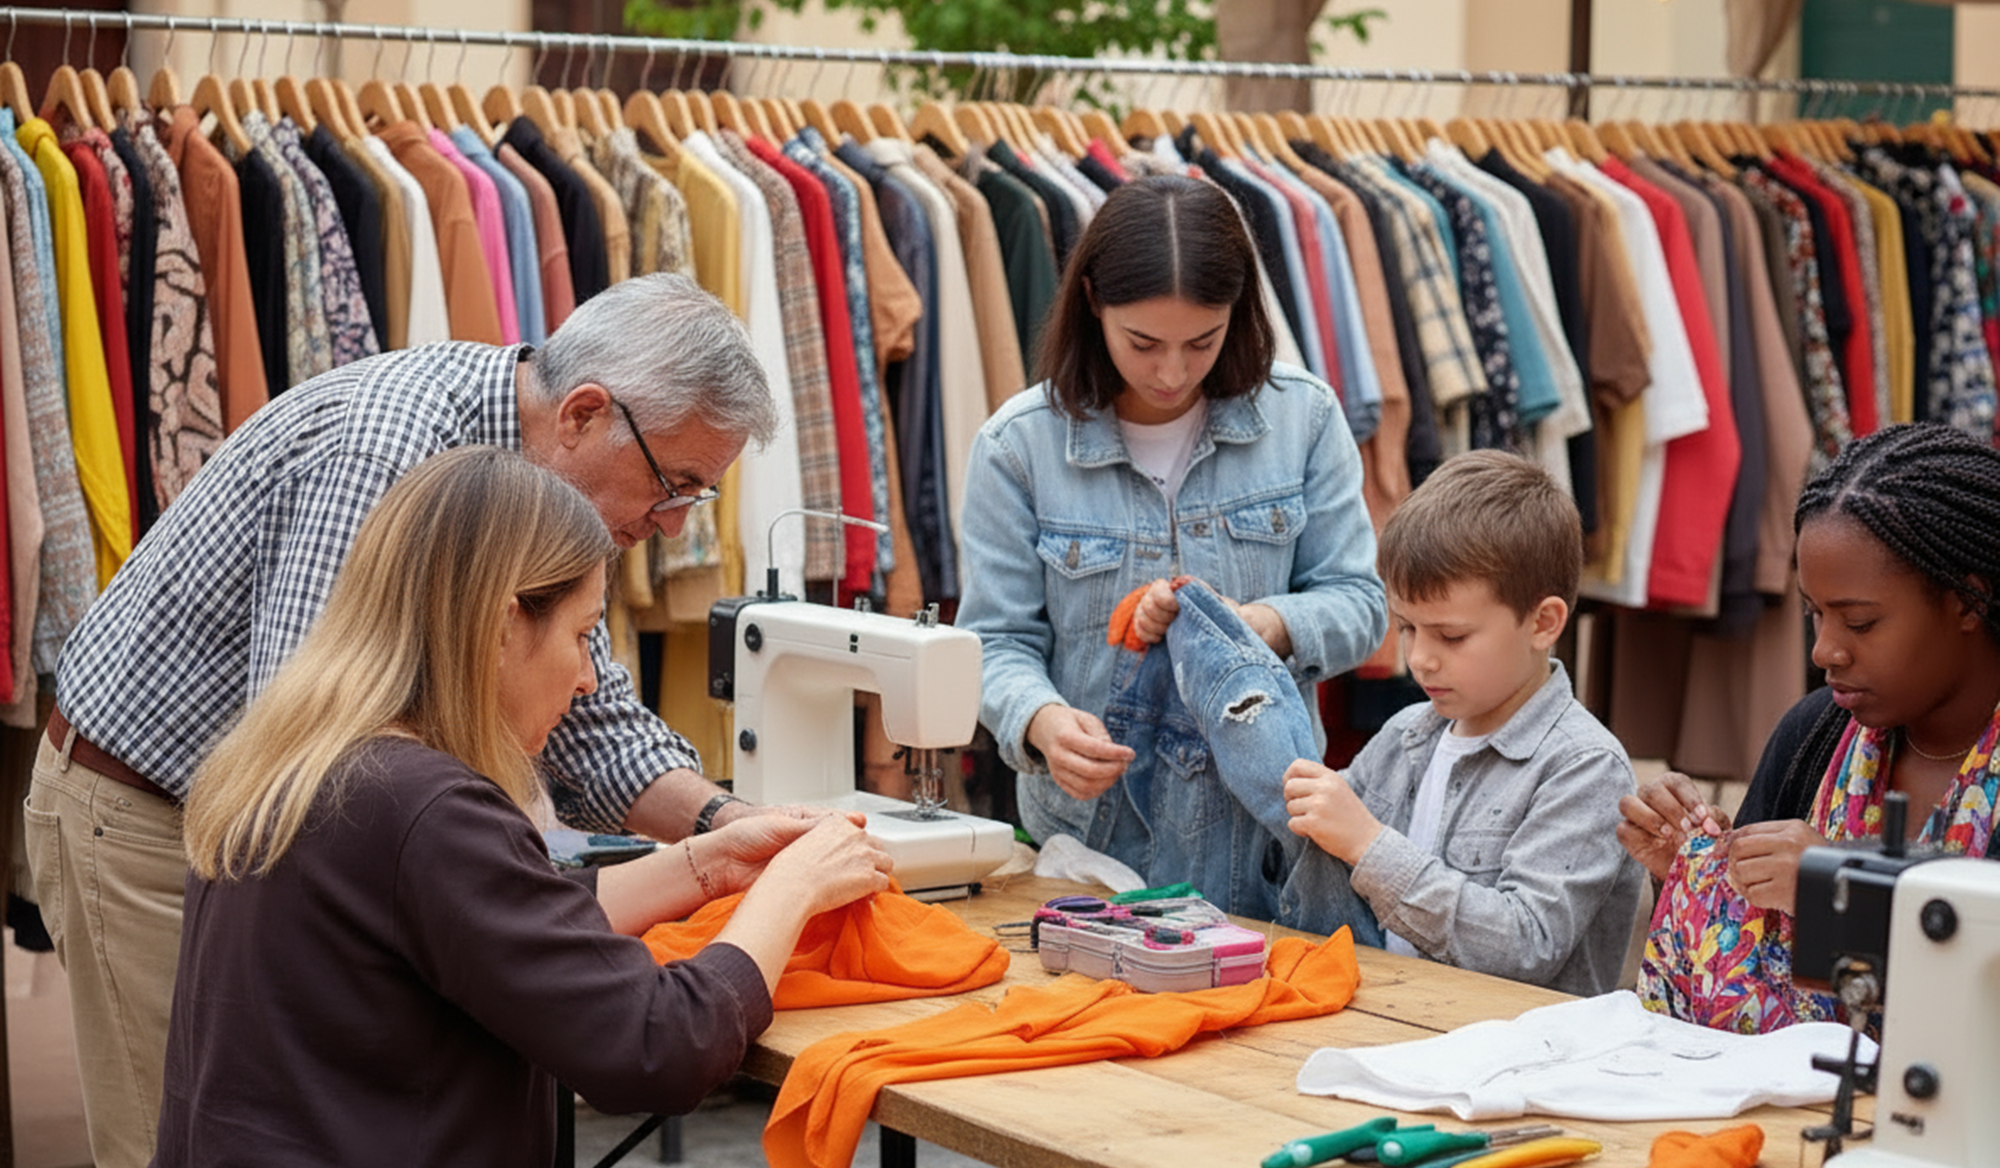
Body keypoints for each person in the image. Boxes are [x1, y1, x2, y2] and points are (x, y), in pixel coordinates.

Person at [23, 272, 799, 1168]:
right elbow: (316, 751)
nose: (670, 526)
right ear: (584, 414)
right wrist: (771, 891)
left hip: (271, 823)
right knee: (230, 1129)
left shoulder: (533, 514)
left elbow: (588, 715)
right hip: (153, 811)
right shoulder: (382, 452)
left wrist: (722, 823)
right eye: (675, 485)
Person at [150, 447, 893, 1166]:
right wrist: (793, 888)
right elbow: (661, 1045)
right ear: (504, 624)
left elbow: (492, 918)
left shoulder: (302, 761)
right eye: (581, 635)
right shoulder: (425, 807)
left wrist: (710, 863)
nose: (589, 680)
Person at [956, 174, 1386, 916]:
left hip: (1266, 838)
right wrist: (1043, 722)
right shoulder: (1017, 447)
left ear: (1239, 311)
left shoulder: (1305, 419)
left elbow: (1360, 605)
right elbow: (994, 641)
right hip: (1087, 850)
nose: (1172, 371)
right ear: (1092, 301)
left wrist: (1257, 626)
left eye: (1203, 342)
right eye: (1144, 342)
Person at [1622, 423, 2000, 1032]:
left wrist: (1841, 891)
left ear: (1968, 602)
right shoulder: (1814, 736)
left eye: (1860, 622)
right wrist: (1696, 869)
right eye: (1814, 614)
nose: (1824, 650)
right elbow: (1746, 945)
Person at [1277, 451, 1645, 995]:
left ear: (1543, 623)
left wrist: (1368, 845)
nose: (1420, 658)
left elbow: (1527, 944)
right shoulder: (1404, 735)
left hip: (1518, 1045)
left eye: (1451, 636)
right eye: (1407, 628)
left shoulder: (1585, 767)